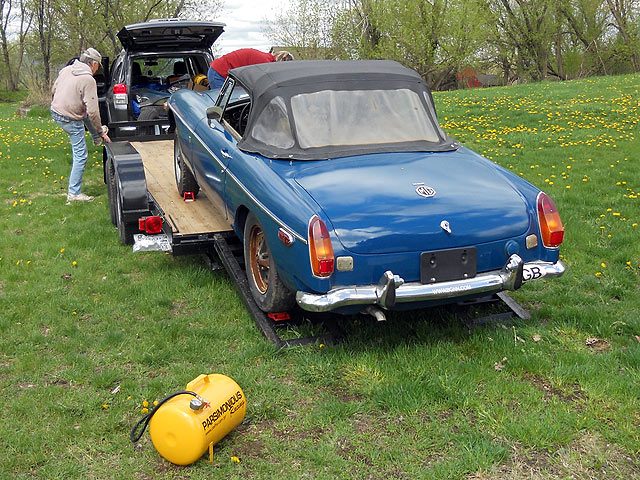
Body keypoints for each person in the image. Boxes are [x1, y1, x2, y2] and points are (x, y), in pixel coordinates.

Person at [51, 47, 111, 203]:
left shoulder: (66, 70)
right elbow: (93, 112)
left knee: (83, 113)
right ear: (94, 64)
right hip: (69, 118)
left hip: (55, 111)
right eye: (98, 66)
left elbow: (54, 89)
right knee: (81, 155)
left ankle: (96, 138)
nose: (97, 70)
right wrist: (101, 131)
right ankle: (74, 194)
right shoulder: (88, 80)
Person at [207, 48, 293, 90]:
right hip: (219, 72)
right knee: (223, 106)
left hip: (223, 72)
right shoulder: (265, 64)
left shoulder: (266, 59)